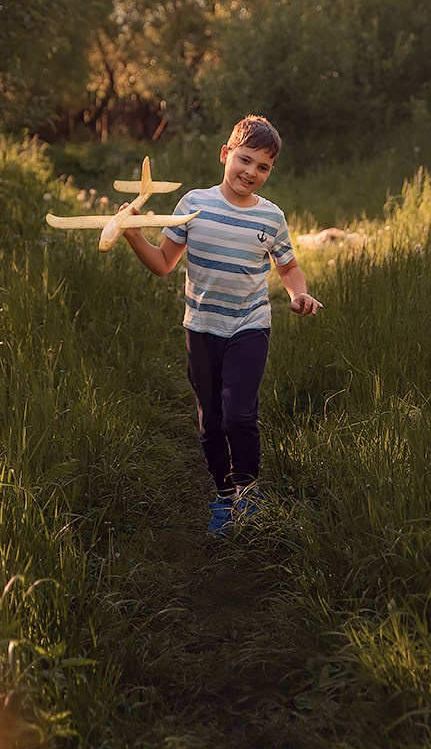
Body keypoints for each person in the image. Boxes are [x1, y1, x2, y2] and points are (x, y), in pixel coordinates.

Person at [121, 114, 322, 536]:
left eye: (263, 167)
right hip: (202, 326)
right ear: (225, 154)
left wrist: (298, 294)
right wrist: (135, 236)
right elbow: (162, 264)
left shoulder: (270, 219)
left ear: (270, 171)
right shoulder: (193, 205)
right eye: (244, 160)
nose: (251, 172)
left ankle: (248, 492)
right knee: (210, 421)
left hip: (250, 324)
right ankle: (224, 496)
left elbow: (289, 269)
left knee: (238, 415)